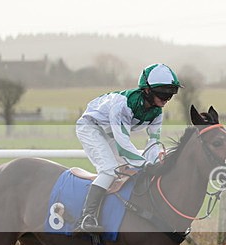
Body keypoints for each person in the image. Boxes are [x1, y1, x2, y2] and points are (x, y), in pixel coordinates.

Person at [74, 63, 181, 233]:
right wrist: (146, 164)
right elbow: (123, 145)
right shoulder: (124, 104)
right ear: (147, 90)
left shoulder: (157, 113)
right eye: (162, 92)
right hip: (90, 127)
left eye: (171, 92)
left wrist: (155, 162)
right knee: (109, 170)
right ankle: (86, 217)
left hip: (109, 132)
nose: (167, 97)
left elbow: (153, 143)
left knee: (128, 169)